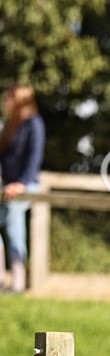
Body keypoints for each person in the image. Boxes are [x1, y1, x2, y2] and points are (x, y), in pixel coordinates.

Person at [0, 85, 46, 294]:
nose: (5, 102)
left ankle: (5, 279)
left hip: (26, 186)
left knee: (11, 228)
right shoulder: (10, 125)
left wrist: (22, 183)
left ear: (19, 101)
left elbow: (34, 157)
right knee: (14, 231)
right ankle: (16, 284)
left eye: (9, 99)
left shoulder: (34, 124)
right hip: (7, 187)